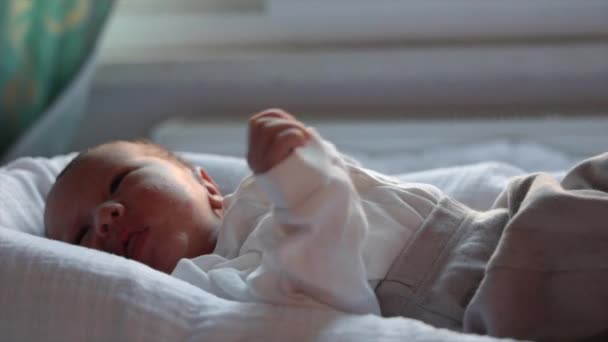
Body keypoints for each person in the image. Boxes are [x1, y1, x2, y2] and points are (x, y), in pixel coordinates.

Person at [44, 109, 608, 341]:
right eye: (79, 237)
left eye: (119, 186)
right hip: (483, 286)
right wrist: (310, 198)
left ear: (207, 186)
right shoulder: (207, 285)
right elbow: (323, 291)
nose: (106, 218)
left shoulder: (261, 190)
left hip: (503, 216)